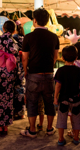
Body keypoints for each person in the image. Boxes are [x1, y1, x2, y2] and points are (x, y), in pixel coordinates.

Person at [20, 8, 59, 138]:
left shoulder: (28, 37)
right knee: (49, 102)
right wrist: (48, 67)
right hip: (48, 74)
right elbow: (55, 57)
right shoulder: (54, 37)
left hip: (33, 75)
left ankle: (32, 130)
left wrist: (26, 71)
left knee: (32, 102)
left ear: (34, 21)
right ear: (47, 21)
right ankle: (49, 129)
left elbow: (25, 58)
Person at [54, 45, 80, 146]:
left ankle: (60, 138)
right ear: (76, 58)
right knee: (76, 118)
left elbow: (58, 85)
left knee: (61, 118)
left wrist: (55, 97)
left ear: (62, 58)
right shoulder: (78, 70)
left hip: (63, 98)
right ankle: (76, 138)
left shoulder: (60, 70)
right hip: (76, 98)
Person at [12, 20, 26, 119]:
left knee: (13, 89)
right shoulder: (25, 39)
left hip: (13, 65)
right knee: (21, 90)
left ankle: (13, 111)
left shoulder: (12, 39)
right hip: (23, 66)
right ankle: (22, 113)